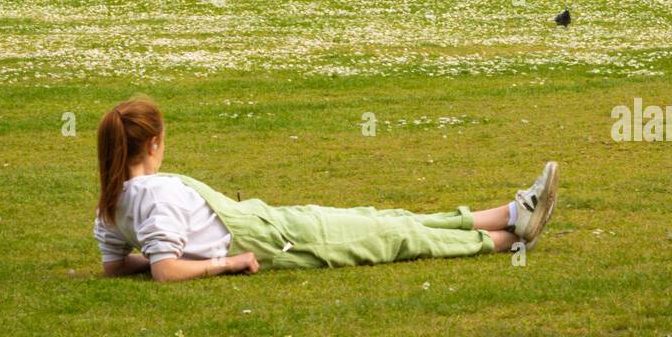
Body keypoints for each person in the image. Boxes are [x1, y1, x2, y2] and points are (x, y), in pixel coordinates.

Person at [93, 98, 560, 281]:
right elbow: (165, 272)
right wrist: (225, 263)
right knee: (389, 238)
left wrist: (162, 256)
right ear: (154, 142)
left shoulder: (111, 204)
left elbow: (119, 266)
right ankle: (507, 238)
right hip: (280, 239)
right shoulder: (158, 195)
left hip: (275, 221)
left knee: (384, 220)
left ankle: (508, 215)